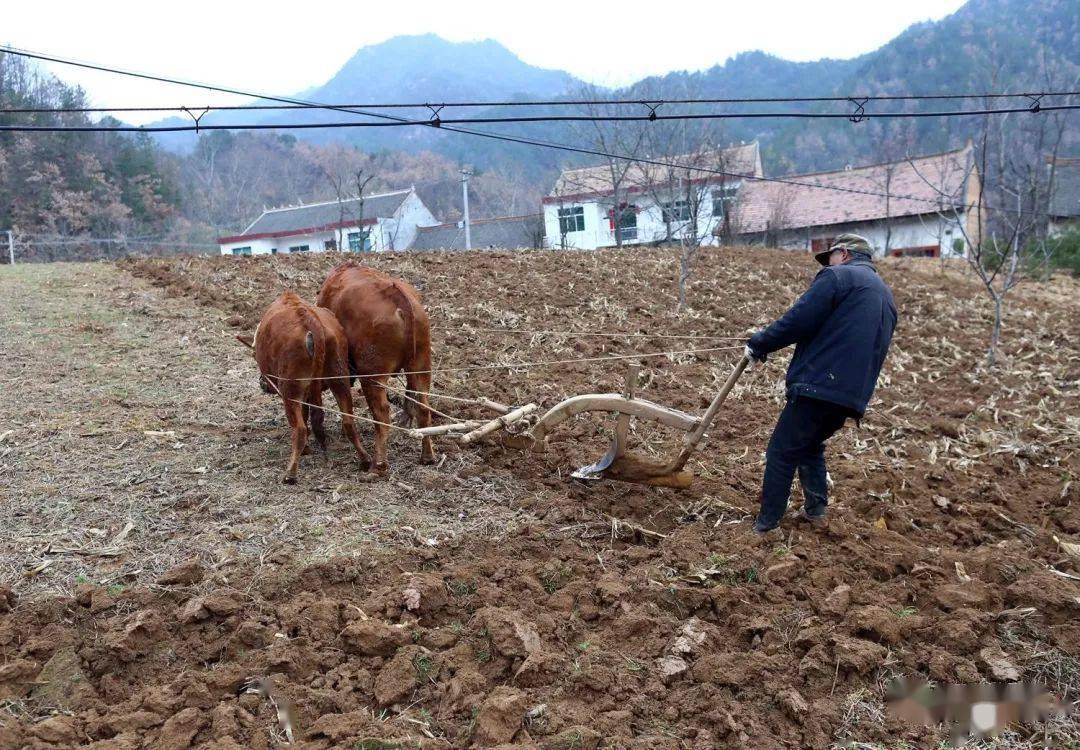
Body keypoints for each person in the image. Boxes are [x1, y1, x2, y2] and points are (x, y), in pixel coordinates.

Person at [744, 234, 897, 534]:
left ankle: (766, 526)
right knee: (809, 444)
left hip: (820, 383)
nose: (828, 263)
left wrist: (760, 343)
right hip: (852, 394)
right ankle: (816, 511)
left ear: (843, 253)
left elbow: (799, 319)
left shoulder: (838, 277)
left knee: (781, 450)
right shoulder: (885, 296)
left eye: (830, 257)